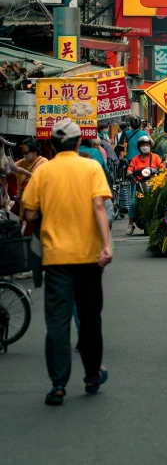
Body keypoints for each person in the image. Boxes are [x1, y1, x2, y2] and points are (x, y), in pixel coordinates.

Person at [22, 119, 112, 406]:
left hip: (55, 258)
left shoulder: (43, 172)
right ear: (76, 143)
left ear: (52, 144)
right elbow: (99, 206)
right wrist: (107, 245)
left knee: (58, 322)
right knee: (89, 319)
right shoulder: (91, 167)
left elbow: (29, 214)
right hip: (89, 256)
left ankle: (58, 385)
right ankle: (91, 376)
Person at [126, 136, 164, 235]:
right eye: (143, 145)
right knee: (133, 203)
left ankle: (163, 221)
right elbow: (129, 170)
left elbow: (162, 167)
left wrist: (159, 170)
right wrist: (130, 173)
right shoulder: (135, 159)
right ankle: (130, 224)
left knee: (161, 201)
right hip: (139, 184)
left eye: (147, 145)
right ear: (139, 147)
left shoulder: (156, 157)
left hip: (154, 183)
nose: (145, 147)